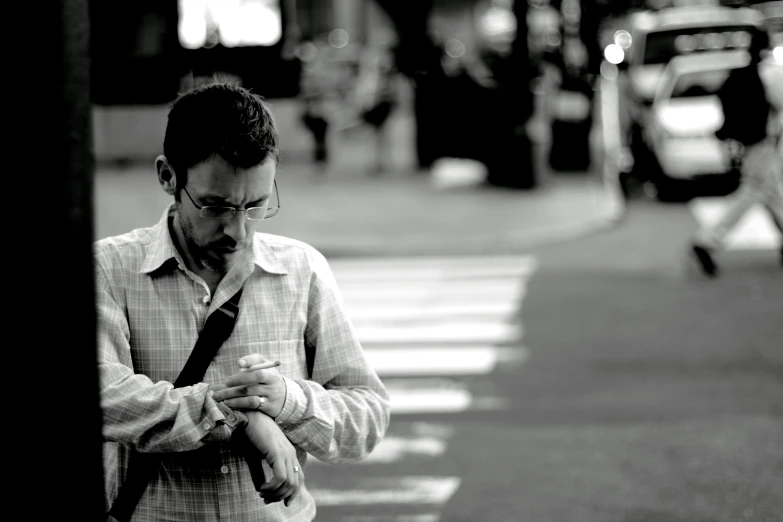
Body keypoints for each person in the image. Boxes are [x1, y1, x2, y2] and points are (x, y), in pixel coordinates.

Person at [97, 81, 390, 521]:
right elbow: (105, 397)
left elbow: (366, 416)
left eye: (256, 205)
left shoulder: (301, 269)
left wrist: (286, 402)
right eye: (215, 207)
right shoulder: (109, 269)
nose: (238, 231)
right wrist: (238, 417)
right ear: (167, 177)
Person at [690, 30, 783, 276]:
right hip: (764, 142)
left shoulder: (746, 72)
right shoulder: (770, 73)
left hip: (754, 141)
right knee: (753, 190)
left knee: (770, 191)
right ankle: (707, 241)